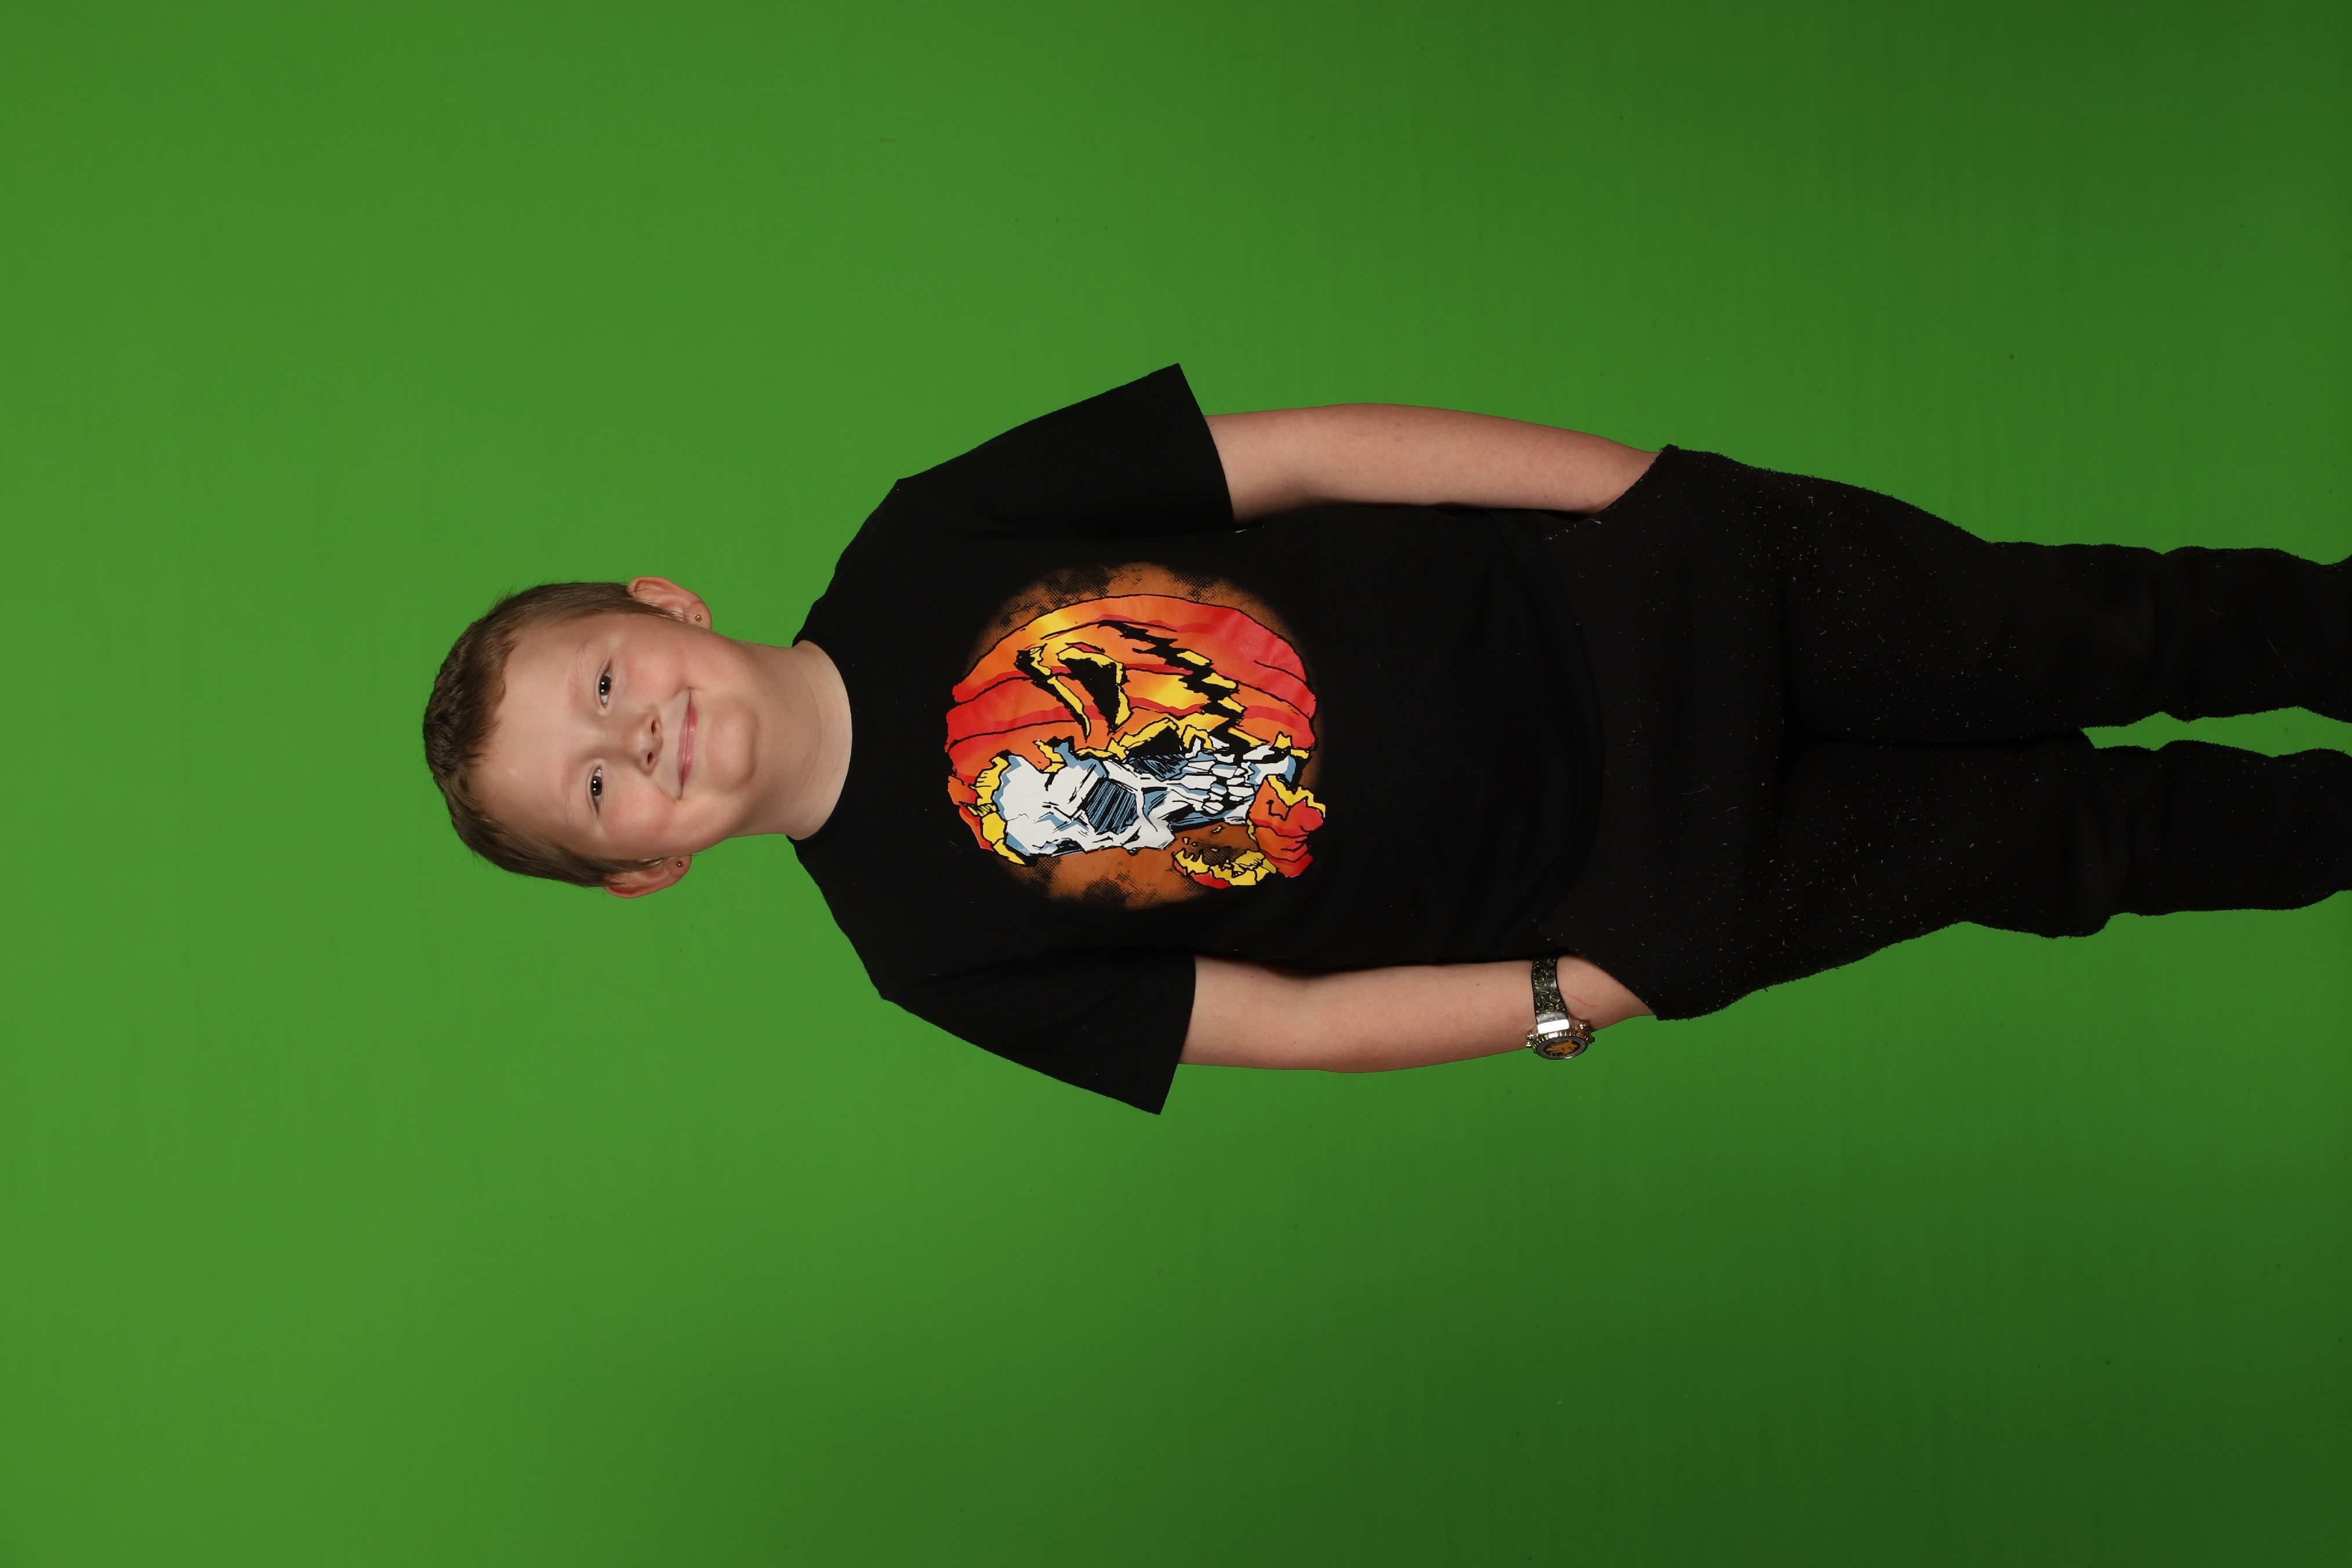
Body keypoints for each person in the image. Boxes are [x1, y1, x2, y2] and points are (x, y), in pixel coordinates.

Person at [422, 368, 2352, 1113]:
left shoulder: (930, 534)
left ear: (661, 608)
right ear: (645, 867)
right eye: (598, 789)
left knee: (2089, 626)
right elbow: (1281, 1021)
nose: (643, 740)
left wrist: (1637, 497)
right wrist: (1570, 995)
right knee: (2072, 845)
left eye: (604, 683)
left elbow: (1310, 453)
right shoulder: (925, 953)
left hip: (1641, 599)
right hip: (1634, 883)